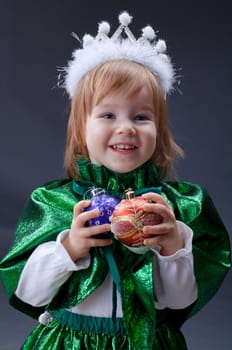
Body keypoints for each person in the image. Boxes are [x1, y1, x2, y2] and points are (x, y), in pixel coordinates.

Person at [0, 11, 230, 350]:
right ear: (81, 130)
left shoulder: (177, 206)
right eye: (108, 115)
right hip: (70, 341)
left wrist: (172, 246)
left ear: (159, 131)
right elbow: (28, 294)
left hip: (146, 341)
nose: (126, 128)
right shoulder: (56, 203)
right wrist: (70, 247)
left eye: (141, 117)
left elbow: (180, 303)